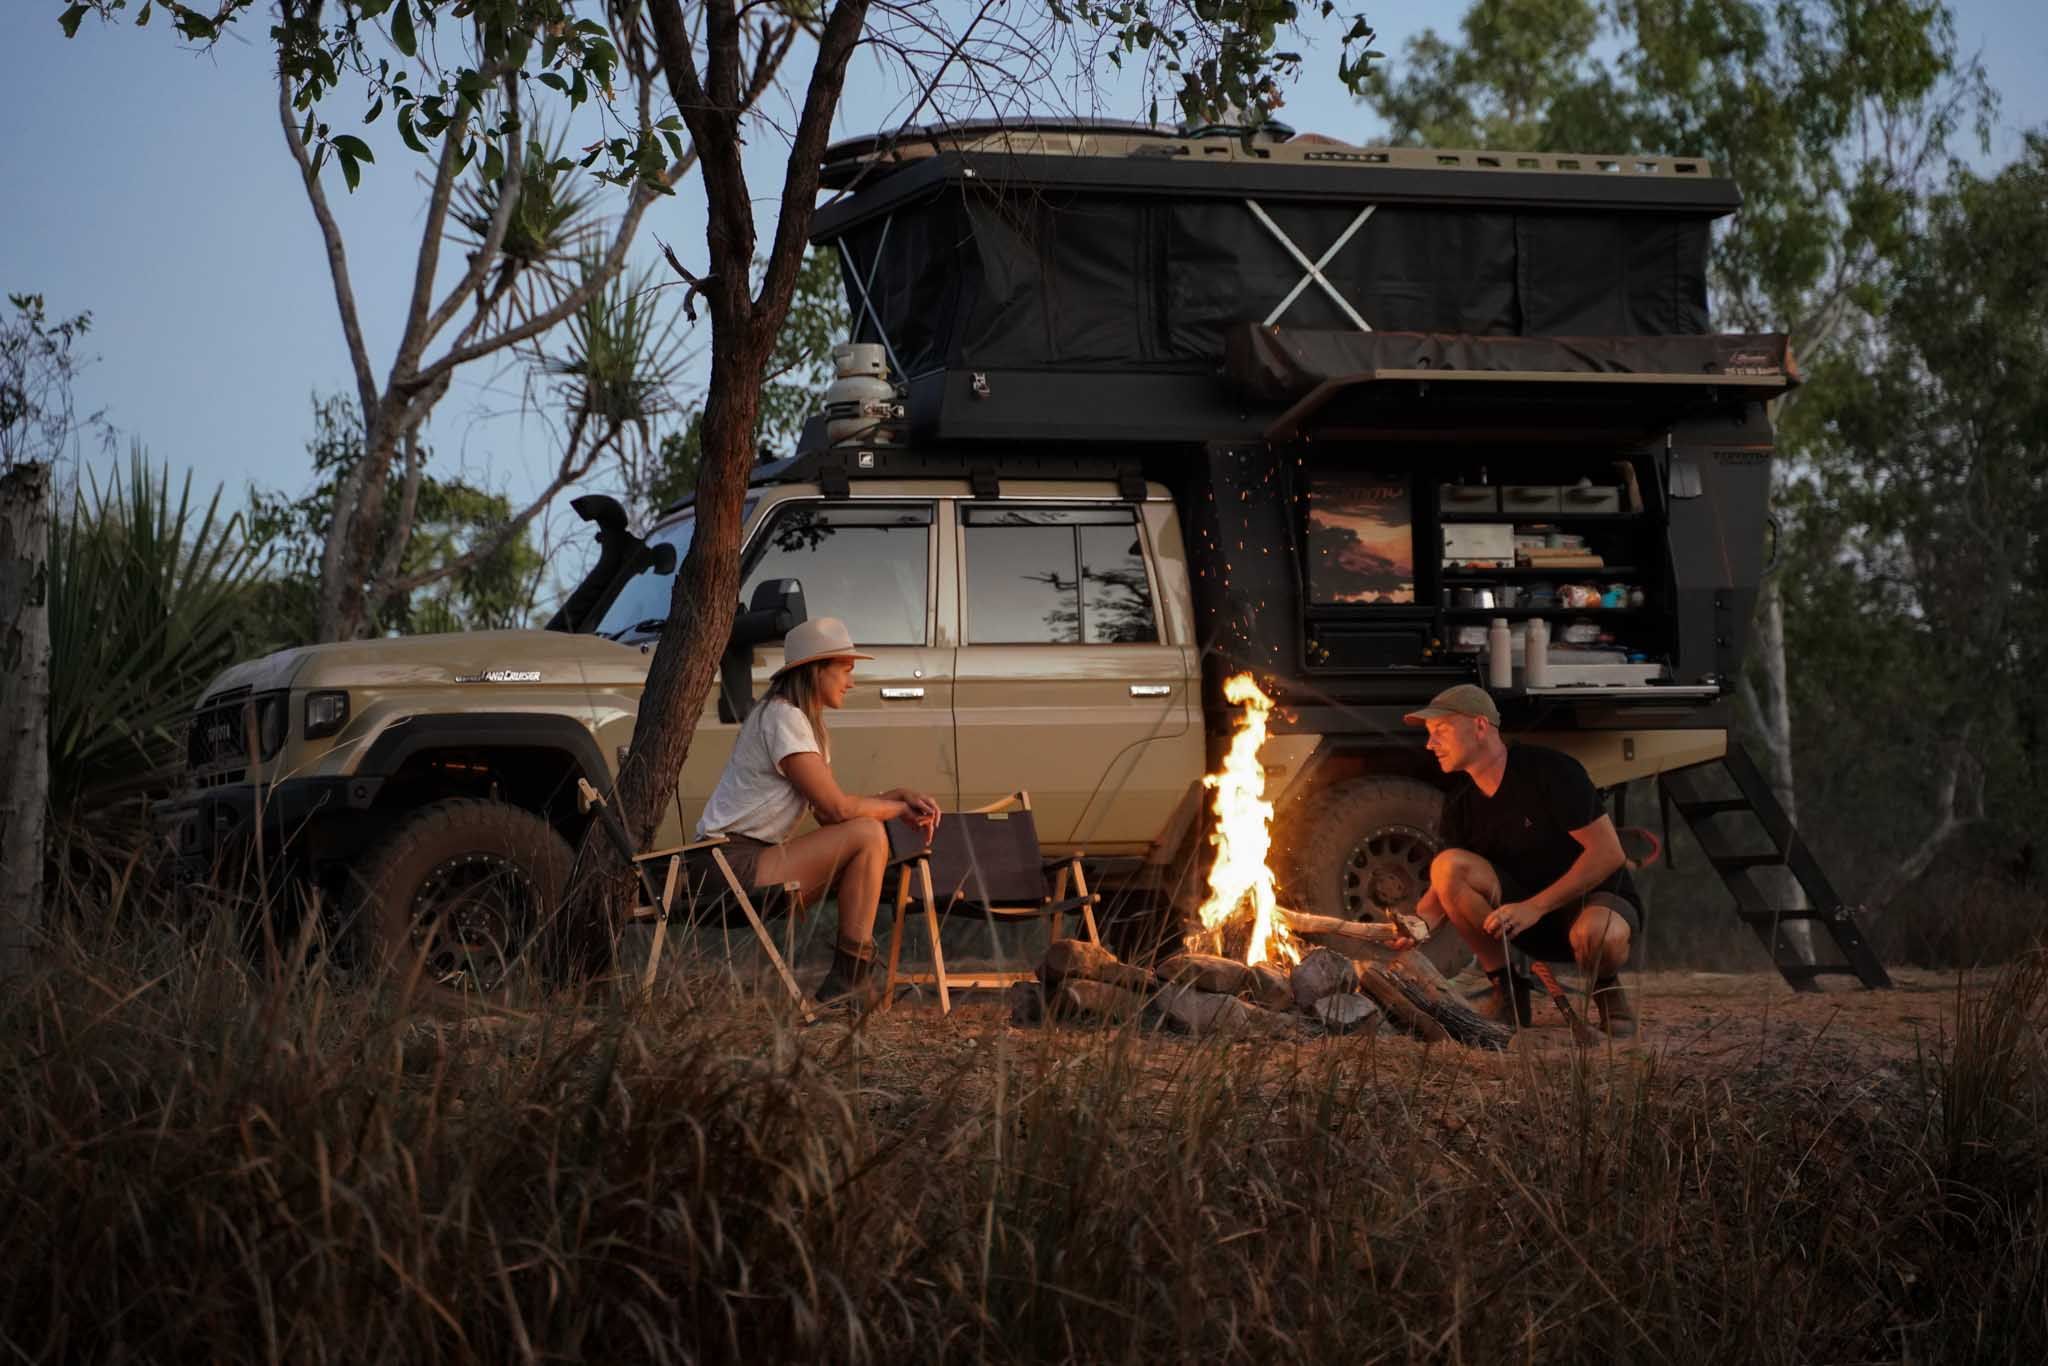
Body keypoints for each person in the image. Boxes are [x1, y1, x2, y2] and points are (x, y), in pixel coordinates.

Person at [696, 616, 942, 1006]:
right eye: (845, 670)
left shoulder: (797, 721)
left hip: (748, 861)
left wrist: (893, 796)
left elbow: (831, 816)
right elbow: (837, 808)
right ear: (815, 671)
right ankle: (848, 983)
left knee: (866, 837)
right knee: (868, 835)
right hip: (728, 865)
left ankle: (850, 980)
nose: (852, 682)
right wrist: (896, 809)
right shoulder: (783, 717)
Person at [1396, 684, 1640, 1036]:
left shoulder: (1551, 771)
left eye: (1441, 731)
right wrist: (1412, 928)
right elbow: (1442, 891)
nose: (1430, 744)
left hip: (1592, 904)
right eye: (1429, 735)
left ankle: (1606, 989)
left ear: (1480, 726)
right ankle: (1508, 990)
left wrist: (1535, 907)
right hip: (1524, 923)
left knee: (1597, 935)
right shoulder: (1460, 802)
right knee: (1447, 865)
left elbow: (1609, 854)